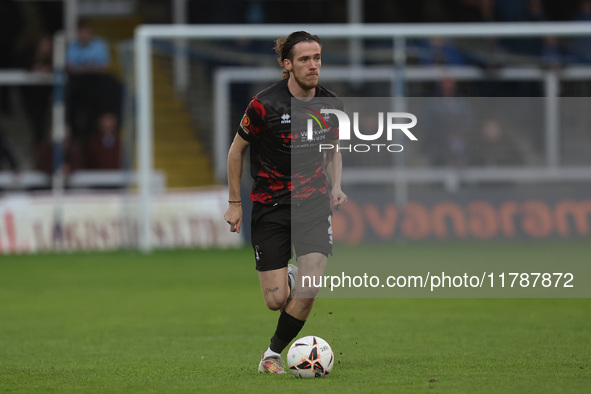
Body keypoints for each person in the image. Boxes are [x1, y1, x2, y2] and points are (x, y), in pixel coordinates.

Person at [224, 31, 347, 374]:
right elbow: (236, 151)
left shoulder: (331, 104)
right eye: (305, 59)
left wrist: (336, 186)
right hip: (270, 204)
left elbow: (333, 151)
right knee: (276, 300)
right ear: (287, 64)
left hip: (313, 203)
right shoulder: (263, 104)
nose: (313, 65)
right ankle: (289, 277)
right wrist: (235, 202)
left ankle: (271, 356)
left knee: (311, 286)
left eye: (317, 58)